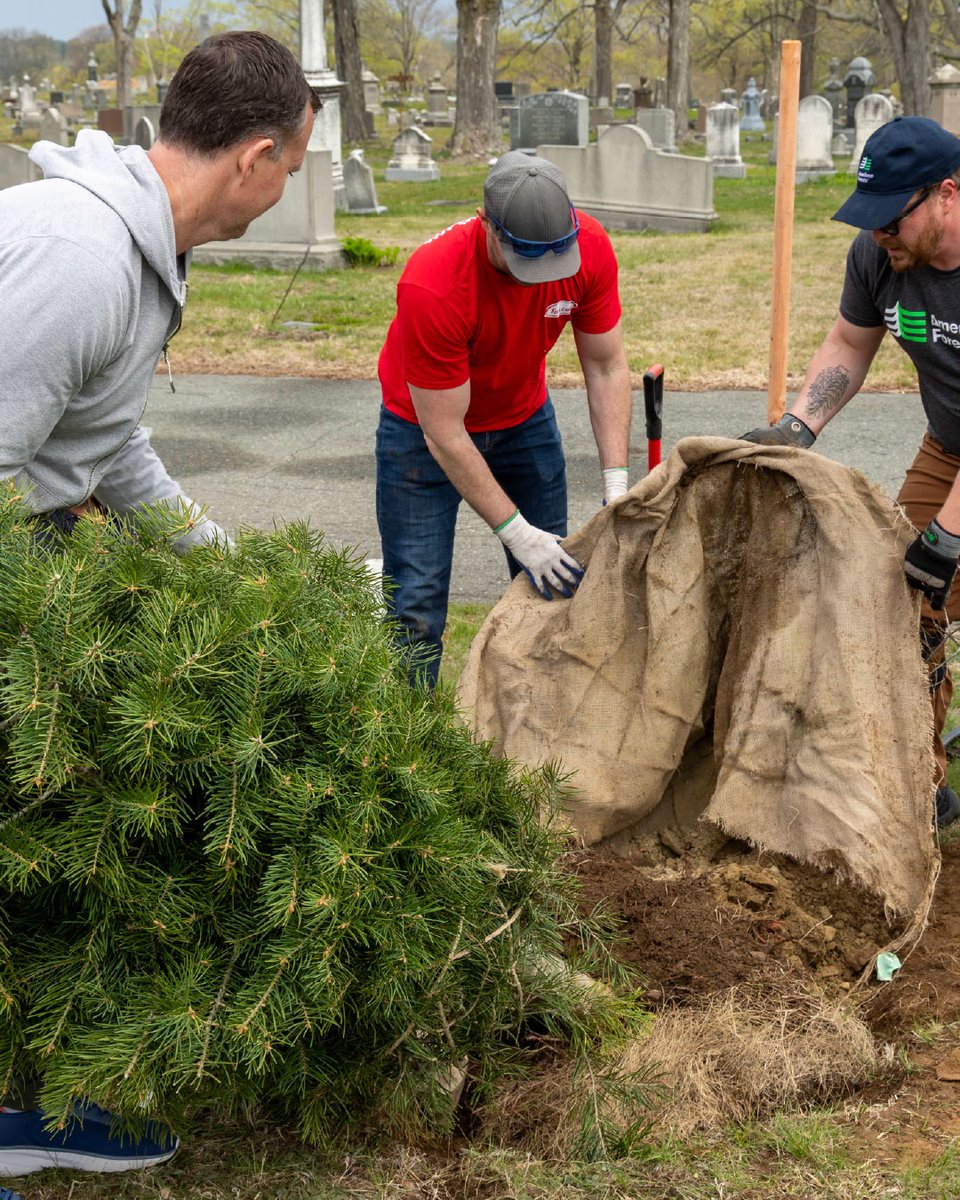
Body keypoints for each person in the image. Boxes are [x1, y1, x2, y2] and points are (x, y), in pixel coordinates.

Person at [0, 30, 319, 1179]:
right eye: (294, 167)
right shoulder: (81, 257)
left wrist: (220, 562)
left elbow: (102, 438)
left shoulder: (132, 254)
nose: (290, 189)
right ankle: (25, 1117)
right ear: (258, 155)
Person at [740, 115, 960, 829]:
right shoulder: (879, 255)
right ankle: (919, 787)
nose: (878, 236)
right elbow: (849, 341)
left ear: (947, 196)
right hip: (949, 446)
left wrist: (948, 541)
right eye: (869, 221)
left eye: (890, 219)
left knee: (935, 567)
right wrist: (797, 427)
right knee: (903, 608)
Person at [375, 150, 632, 687]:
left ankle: (543, 745)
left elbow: (606, 367)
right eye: (525, 261)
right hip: (422, 434)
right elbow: (444, 432)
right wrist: (516, 532)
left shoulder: (593, 249)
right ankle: (406, 752)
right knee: (416, 601)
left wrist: (616, 484)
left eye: (551, 263)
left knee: (555, 587)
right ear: (486, 222)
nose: (539, 280)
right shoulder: (433, 283)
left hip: (524, 420)